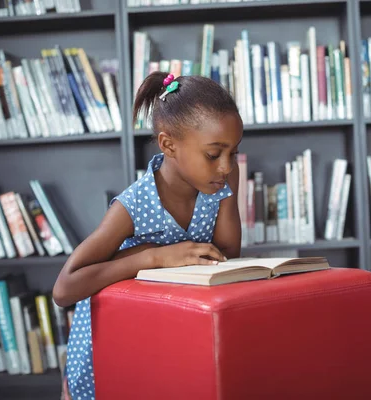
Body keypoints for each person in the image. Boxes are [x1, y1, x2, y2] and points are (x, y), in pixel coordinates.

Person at [52, 71, 243, 400]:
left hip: (170, 335)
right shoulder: (134, 204)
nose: (226, 166)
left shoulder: (221, 181)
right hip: (112, 341)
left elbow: (226, 254)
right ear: (168, 144)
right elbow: (65, 289)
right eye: (214, 154)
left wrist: (129, 258)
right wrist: (153, 257)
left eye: (233, 152)